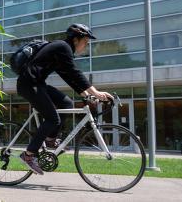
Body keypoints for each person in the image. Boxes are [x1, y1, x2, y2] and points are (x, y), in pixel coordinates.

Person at [17, 23, 114, 175]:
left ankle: (50, 139)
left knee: (66, 102)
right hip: (29, 85)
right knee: (52, 119)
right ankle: (28, 155)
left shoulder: (62, 50)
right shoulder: (63, 47)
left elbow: (68, 76)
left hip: (37, 84)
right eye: (85, 42)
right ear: (76, 39)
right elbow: (74, 73)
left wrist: (86, 95)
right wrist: (95, 92)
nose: (86, 46)